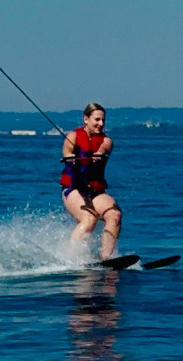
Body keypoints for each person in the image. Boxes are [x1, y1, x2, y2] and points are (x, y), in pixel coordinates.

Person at [61, 103, 121, 260]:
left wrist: (99, 153)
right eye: (97, 120)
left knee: (114, 214)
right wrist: (71, 157)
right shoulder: (72, 137)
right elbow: (66, 152)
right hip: (73, 189)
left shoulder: (106, 141)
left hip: (95, 190)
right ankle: (71, 257)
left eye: (103, 120)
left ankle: (106, 258)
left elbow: (104, 148)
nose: (101, 124)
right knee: (89, 219)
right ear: (86, 119)